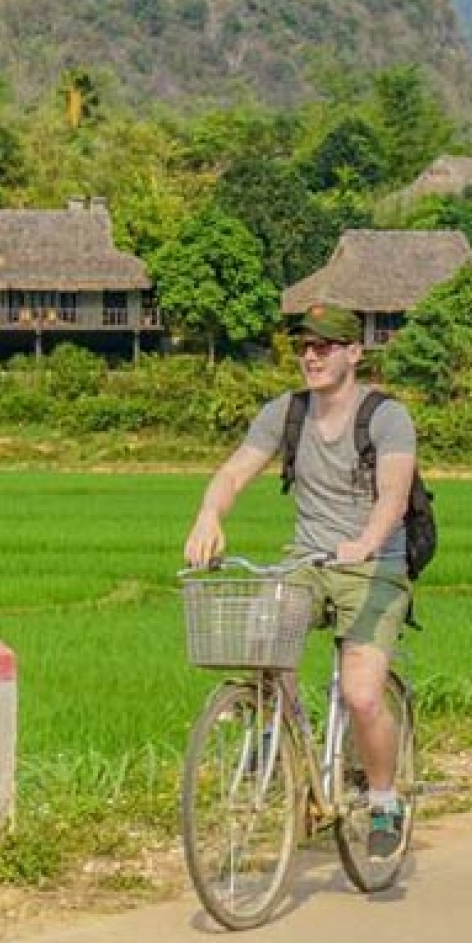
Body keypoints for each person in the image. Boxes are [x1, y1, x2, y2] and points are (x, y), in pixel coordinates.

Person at [183, 303, 418, 860]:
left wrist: (364, 541)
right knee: (262, 637)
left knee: (362, 694)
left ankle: (384, 797)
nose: (311, 357)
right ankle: (284, 738)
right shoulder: (285, 413)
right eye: (304, 348)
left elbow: (394, 497)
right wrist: (209, 515)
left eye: (325, 346)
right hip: (307, 560)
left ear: (354, 353)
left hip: (374, 565)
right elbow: (236, 470)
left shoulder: (386, 416)